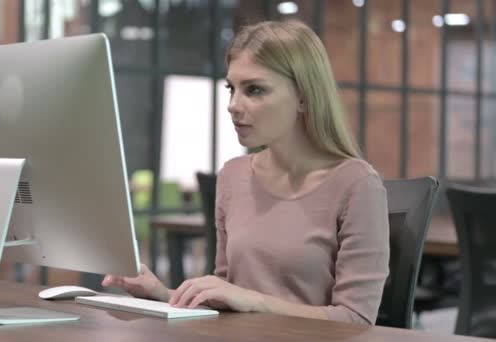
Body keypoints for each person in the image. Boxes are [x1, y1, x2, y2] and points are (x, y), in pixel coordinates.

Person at [102, 19, 389, 325]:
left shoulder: (358, 185)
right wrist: (161, 294)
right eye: (231, 89)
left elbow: (356, 321)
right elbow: (225, 298)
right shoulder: (232, 176)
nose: (233, 105)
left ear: (304, 97)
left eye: (254, 90)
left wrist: (254, 301)